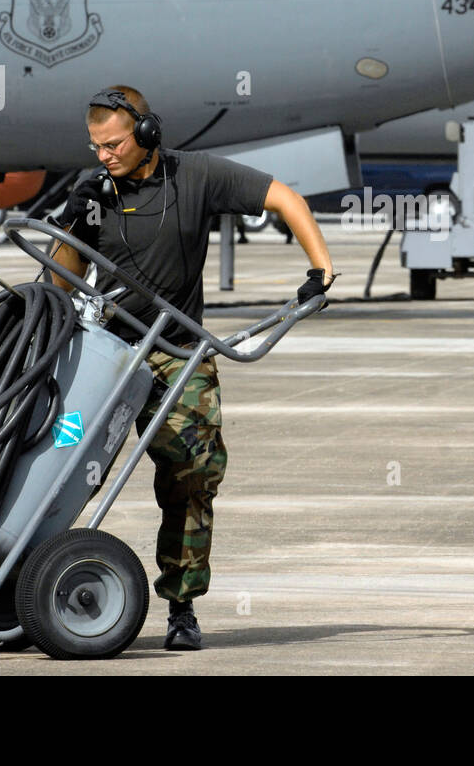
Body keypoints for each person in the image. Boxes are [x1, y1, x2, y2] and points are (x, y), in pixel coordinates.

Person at [50, 85, 335, 651]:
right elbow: (61, 284)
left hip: (177, 354)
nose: (103, 155)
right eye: (94, 147)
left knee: (193, 473)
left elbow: (285, 198)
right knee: (58, 463)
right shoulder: (94, 194)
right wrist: (75, 225)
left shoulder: (196, 177)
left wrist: (320, 268)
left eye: (113, 144)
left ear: (148, 133)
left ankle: (181, 606)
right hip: (104, 350)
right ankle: (13, 572)